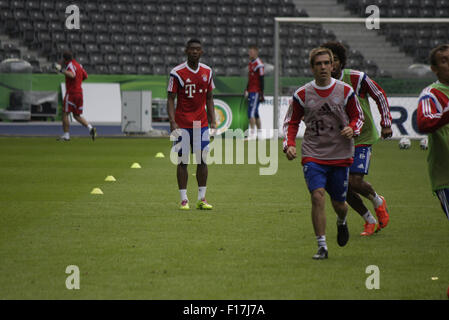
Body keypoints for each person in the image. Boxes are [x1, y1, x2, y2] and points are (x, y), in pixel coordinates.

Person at [283, 47, 364, 259]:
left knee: (339, 204)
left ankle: (342, 221)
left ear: (333, 65)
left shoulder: (345, 91)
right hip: (313, 154)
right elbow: (291, 122)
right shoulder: (302, 94)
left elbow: (359, 117)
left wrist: (353, 128)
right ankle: (322, 246)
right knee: (317, 196)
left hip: (340, 155)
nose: (323, 67)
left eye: (327, 63)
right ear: (312, 68)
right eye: (318, 64)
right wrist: (289, 143)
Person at [321, 41, 392, 236]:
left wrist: (386, 122)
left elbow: (379, 95)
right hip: (339, 141)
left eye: (333, 60)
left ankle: (378, 200)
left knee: (354, 181)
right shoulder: (322, 85)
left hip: (362, 137)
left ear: (341, 62)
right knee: (339, 187)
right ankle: (369, 220)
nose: (329, 65)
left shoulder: (356, 77)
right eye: (326, 61)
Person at [167, 39, 217, 210]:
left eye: (198, 49)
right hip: (182, 124)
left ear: (202, 52)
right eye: (192, 49)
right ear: (186, 51)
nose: (195, 52)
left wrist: (213, 120)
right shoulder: (177, 72)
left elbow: (209, 98)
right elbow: (170, 99)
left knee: (202, 160)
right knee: (183, 161)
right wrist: (172, 122)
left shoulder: (208, 72)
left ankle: (202, 198)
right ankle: (183, 199)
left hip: (201, 123)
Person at [416, 44, 449, 220]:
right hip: (446, 176)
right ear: (434, 69)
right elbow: (424, 123)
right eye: (444, 61)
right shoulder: (432, 94)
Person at [55, 50, 96, 141]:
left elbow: (72, 75)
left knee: (65, 113)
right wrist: (77, 83)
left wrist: (62, 70)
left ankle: (66, 135)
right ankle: (90, 128)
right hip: (79, 93)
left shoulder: (70, 65)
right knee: (76, 115)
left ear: (65, 59)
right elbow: (85, 76)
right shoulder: (79, 65)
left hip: (71, 93)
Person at [244, 45, 264, 140]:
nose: (249, 53)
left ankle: (252, 134)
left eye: (251, 52)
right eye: (249, 52)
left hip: (256, 92)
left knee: (251, 112)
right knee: (255, 112)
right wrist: (247, 89)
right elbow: (250, 79)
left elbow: (261, 79)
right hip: (251, 90)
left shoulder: (259, 64)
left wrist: (261, 93)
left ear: (256, 53)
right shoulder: (251, 63)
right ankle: (260, 134)